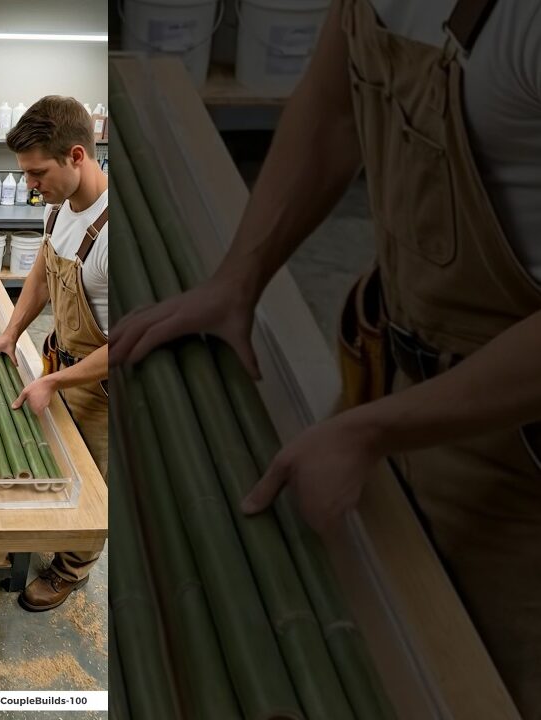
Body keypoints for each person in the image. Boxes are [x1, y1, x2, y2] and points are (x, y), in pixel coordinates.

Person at [110, 0, 541, 713]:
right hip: (393, 369)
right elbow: (336, 106)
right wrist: (236, 280)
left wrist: (375, 430)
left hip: (515, 447)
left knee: (475, 678)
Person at [0, 96, 109, 612]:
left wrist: (53, 382)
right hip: (61, 360)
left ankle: (72, 569)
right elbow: (44, 275)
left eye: (37, 172)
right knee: (58, 462)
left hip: (104, 384)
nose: (30, 184)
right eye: (25, 173)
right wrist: (10, 333)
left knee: (93, 480)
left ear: (76, 156)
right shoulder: (58, 209)